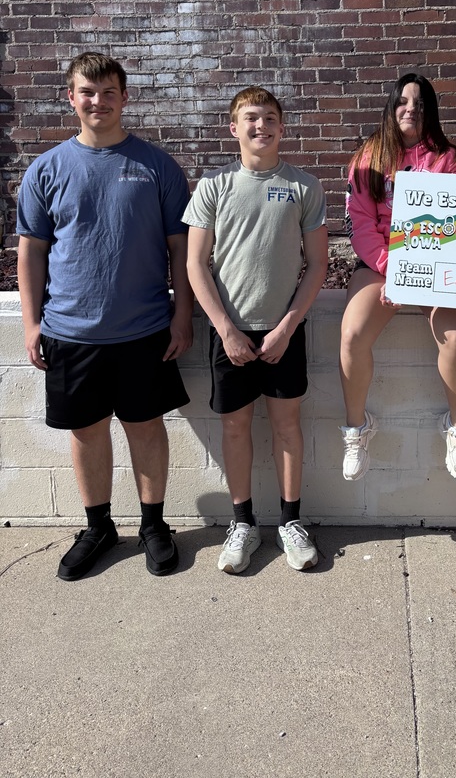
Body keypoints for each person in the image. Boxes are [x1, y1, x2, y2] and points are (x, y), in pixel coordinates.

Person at [17, 51, 193, 581]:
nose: (98, 101)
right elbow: (32, 253)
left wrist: (182, 313)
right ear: (71, 97)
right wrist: (31, 324)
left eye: (108, 91)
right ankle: (98, 526)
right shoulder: (46, 170)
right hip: (71, 331)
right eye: (87, 92)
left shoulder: (157, 167)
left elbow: (180, 251)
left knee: (145, 427)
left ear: (125, 97)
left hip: (144, 329)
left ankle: (154, 525)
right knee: (87, 431)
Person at [184, 86, 328, 574]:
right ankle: (242, 523)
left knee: (288, 427)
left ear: (282, 128)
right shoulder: (213, 186)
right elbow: (195, 265)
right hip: (232, 333)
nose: (260, 126)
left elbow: (318, 265)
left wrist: (289, 326)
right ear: (234, 127)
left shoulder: (304, 186)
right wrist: (224, 328)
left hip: (282, 331)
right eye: (250, 118)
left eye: (269, 118)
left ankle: (291, 522)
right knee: (235, 426)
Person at [339, 73, 456, 482]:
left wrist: (418, 273)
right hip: (381, 264)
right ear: (391, 106)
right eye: (402, 101)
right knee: (351, 335)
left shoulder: (451, 160)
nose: (410, 109)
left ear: (430, 111)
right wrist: (393, 269)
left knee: (455, 338)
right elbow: (360, 224)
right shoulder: (369, 156)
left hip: (436, 266)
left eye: (419, 104)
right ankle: (356, 429)